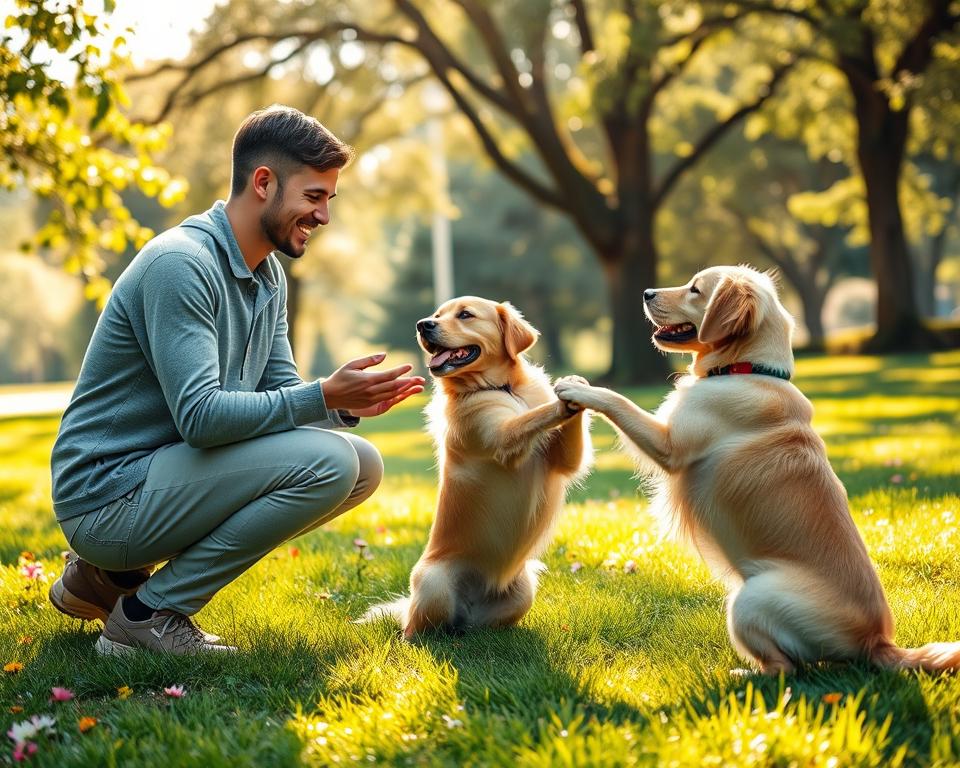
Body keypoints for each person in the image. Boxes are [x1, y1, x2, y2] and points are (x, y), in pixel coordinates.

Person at [48, 104, 424, 655]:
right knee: (334, 462)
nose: (323, 216)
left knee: (361, 463)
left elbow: (278, 395)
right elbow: (201, 419)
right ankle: (147, 613)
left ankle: (107, 581)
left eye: (328, 200)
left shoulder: (267, 274)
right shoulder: (181, 264)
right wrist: (321, 395)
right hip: (106, 497)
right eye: (313, 197)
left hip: (158, 482)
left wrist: (343, 407)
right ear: (264, 183)